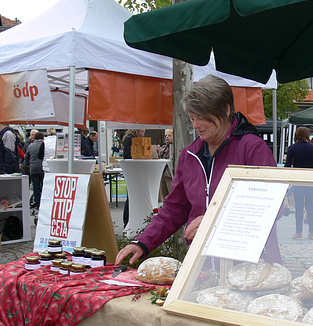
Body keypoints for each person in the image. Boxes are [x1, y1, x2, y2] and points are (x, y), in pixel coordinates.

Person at [116, 75, 277, 266]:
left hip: (250, 260)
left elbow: (273, 205)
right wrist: (143, 242)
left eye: (202, 117)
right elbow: (175, 208)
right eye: (192, 118)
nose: (195, 125)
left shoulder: (252, 148)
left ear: (225, 109)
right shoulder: (189, 155)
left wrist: (216, 219)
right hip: (202, 261)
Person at [285, 126, 313, 239]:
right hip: (311, 180)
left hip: (298, 180)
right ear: (307, 135)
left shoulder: (292, 148)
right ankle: (312, 232)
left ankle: (299, 232)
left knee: (299, 207)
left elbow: (287, 166)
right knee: (310, 206)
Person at [121, 128, 145, 227]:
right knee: (131, 196)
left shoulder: (131, 138)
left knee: (131, 196)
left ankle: (128, 221)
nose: (144, 130)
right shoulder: (130, 139)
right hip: (132, 171)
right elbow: (127, 155)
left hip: (133, 171)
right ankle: (127, 221)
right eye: (142, 128)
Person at [24, 131, 45, 209]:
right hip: (43, 168)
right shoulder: (44, 145)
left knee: (35, 187)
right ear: (42, 137)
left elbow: (26, 157)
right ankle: (43, 203)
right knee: (43, 186)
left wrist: (28, 165)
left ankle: (37, 203)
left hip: (33, 169)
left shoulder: (30, 146)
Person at [157, 129, 174, 202]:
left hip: (169, 174)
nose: (167, 137)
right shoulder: (164, 147)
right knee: (164, 195)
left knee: (171, 195)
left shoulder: (174, 147)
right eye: (166, 136)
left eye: (169, 136)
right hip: (162, 173)